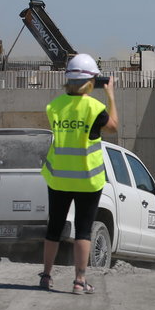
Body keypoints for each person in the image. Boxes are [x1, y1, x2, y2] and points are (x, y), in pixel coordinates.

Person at [39, 54, 118, 294]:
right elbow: (113, 127)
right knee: (83, 230)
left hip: (59, 177)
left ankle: (46, 275)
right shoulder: (96, 108)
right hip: (87, 178)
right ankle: (79, 281)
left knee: (54, 227)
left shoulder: (54, 106)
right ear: (92, 80)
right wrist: (111, 96)